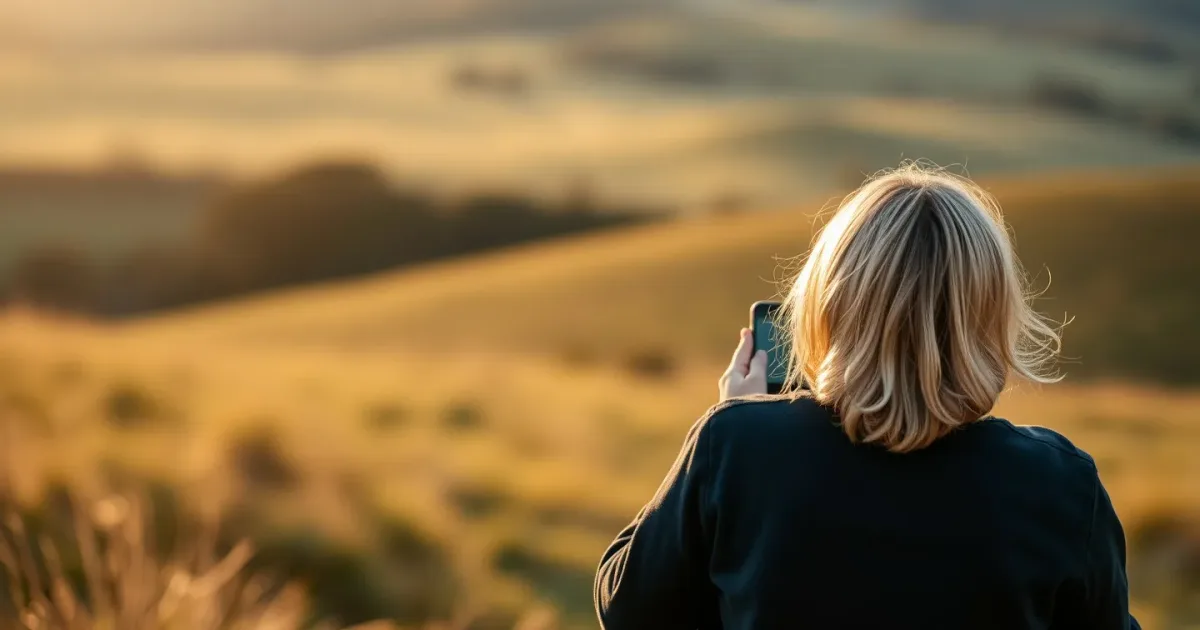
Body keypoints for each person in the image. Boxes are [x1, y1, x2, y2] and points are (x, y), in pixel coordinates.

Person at [594, 165, 1140, 630]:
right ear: (991, 316)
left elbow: (628, 610)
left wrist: (731, 417)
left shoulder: (736, 447)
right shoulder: (1062, 485)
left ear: (829, 304)